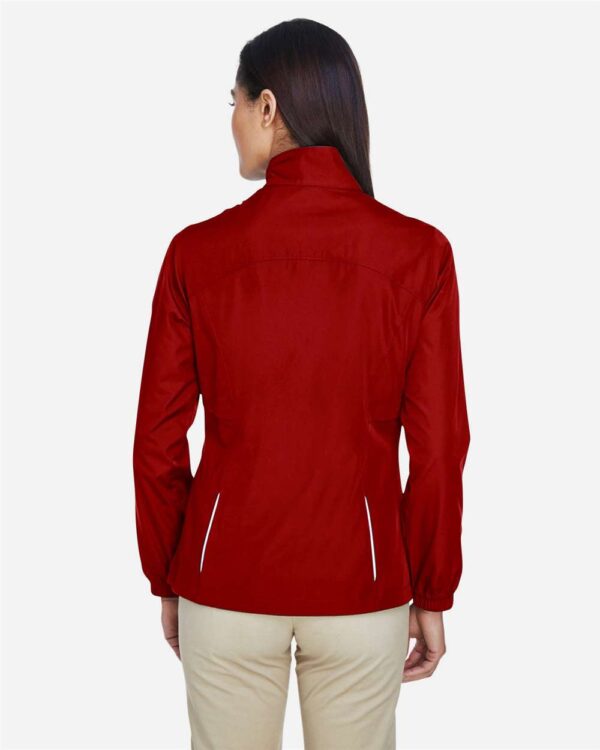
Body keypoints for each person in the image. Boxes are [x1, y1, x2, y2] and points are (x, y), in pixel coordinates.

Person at [132, 17, 470, 750]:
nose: (230, 119)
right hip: (363, 589)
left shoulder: (196, 254)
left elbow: (157, 442)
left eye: (233, 101)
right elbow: (440, 448)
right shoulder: (419, 254)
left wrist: (169, 575)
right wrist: (432, 589)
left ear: (268, 107)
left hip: (223, 584)